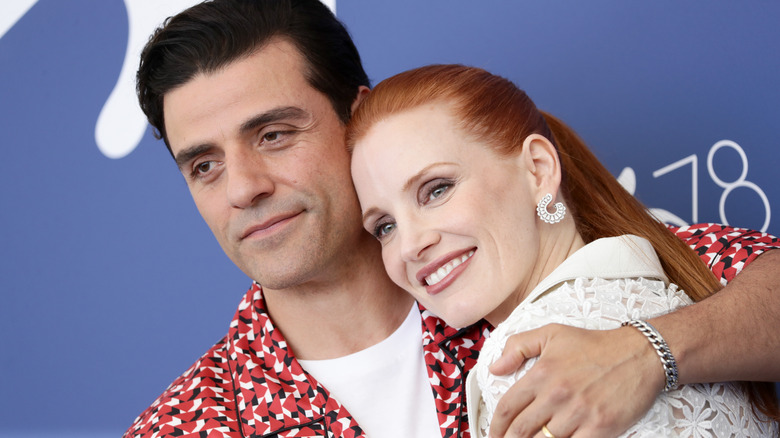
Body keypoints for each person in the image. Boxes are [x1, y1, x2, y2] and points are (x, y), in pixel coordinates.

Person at [126, 1, 780, 437]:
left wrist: (649, 352)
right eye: (204, 165)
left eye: (272, 135)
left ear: (359, 118)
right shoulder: (185, 424)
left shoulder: (518, 265)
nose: (243, 188)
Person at [346, 64, 778, 437]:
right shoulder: (675, 280)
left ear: (538, 169)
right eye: (384, 227)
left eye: (436, 189)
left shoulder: (524, 361)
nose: (410, 245)